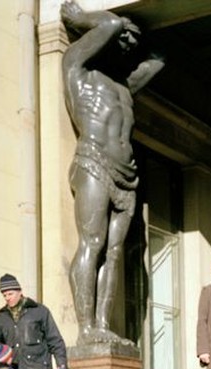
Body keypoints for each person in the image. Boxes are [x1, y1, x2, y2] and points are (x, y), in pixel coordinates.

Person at [61, 0, 164, 346]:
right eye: (122, 35)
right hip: (93, 161)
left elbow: (159, 60)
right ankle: (86, 328)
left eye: (133, 38)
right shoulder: (78, 68)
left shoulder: (124, 87)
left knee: (115, 251)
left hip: (127, 172)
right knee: (92, 243)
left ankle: (103, 325)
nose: (127, 42)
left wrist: (135, 29)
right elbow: (106, 27)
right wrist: (90, 18)